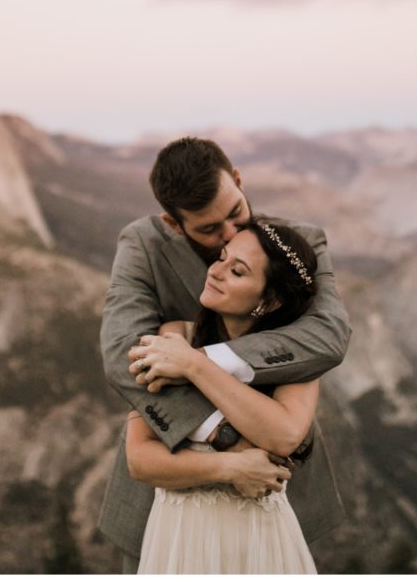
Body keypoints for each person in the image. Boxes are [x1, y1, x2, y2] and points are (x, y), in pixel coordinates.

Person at [97, 137, 350, 572]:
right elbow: (124, 353)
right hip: (171, 495)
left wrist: (200, 362)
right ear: (174, 224)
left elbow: (327, 336)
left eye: (235, 212)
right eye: (210, 231)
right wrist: (224, 439)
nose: (230, 235)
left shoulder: (299, 244)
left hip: (274, 486)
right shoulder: (141, 245)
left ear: (237, 180)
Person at [126, 219, 321, 573]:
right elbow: (139, 458)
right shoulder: (175, 336)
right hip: (179, 538)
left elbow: (284, 435)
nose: (215, 271)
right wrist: (231, 467)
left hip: (256, 541)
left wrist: (194, 365)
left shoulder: (297, 364)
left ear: (270, 300)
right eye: (222, 257)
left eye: (237, 271)